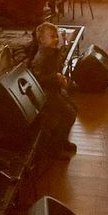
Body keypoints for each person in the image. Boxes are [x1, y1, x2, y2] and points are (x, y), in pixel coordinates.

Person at [28, 22, 78, 156]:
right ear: (42, 40)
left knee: (72, 109)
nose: (56, 39)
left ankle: (62, 141)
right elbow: (37, 79)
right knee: (68, 114)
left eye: (57, 36)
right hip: (45, 94)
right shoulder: (43, 56)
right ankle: (55, 148)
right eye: (52, 37)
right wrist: (56, 77)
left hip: (52, 90)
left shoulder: (51, 52)